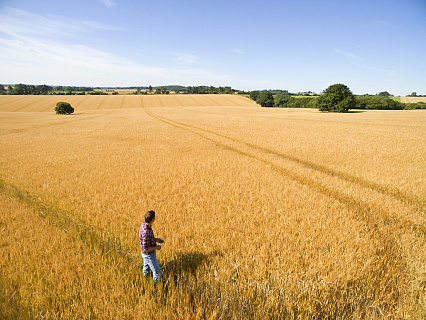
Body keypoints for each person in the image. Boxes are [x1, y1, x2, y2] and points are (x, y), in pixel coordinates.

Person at [139, 210, 164, 282]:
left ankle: (144, 279)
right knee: (157, 273)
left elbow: (147, 239)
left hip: (145, 254)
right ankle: (155, 287)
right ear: (152, 219)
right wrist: (157, 247)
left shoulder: (143, 225)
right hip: (149, 255)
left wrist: (156, 239)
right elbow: (145, 248)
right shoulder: (146, 231)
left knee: (146, 267)